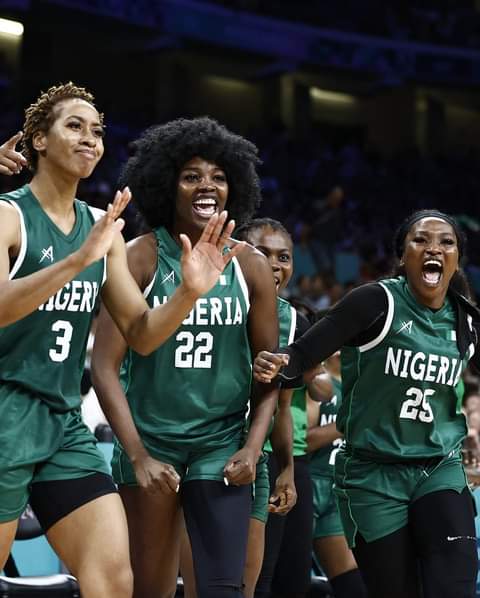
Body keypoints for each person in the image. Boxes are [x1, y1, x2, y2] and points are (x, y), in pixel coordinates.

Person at [0, 84, 242, 598]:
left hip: (62, 423)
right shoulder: (8, 216)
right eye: (73, 126)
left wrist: (188, 294)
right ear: (38, 140)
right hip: (4, 414)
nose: (89, 138)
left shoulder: (100, 227)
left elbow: (141, 333)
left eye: (97, 131)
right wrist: (73, 262)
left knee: (113, 579)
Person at [90, 117, 280, 598]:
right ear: (167, 184)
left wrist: (253, 448)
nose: (207, 185)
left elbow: (270, 375)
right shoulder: (139, 258)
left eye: (218, 176)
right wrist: (137, 456)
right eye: (191, 175)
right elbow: (104, 367)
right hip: (153, 441)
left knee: (221, 589)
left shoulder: (250, 266)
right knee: (149, 589)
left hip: (219, 442)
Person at [254, 209, 480, 598]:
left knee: (454, 584)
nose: (434, 249)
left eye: (447, 243)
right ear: (402, 255)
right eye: (421, 240)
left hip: (437, 466)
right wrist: (276, 363)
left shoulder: (467, 321)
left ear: (458, 257)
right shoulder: (376, 302)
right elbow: (304, 355)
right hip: (373, 473)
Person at [236, 218, 312, 598]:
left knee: (256, 582)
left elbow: (283, 404)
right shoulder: (211, 297)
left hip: (257, 460)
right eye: (262, 254)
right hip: (200, 446)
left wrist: (287, 469)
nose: (274, 265)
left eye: (284, 256)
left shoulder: (293, 319)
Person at [306, 351, 367, 598]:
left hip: (338, 488)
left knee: (353, 584)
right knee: (290, 574)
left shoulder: (361, 387)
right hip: (307, 483)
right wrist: (346, 423)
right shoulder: (317, 381)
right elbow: (303, 441)